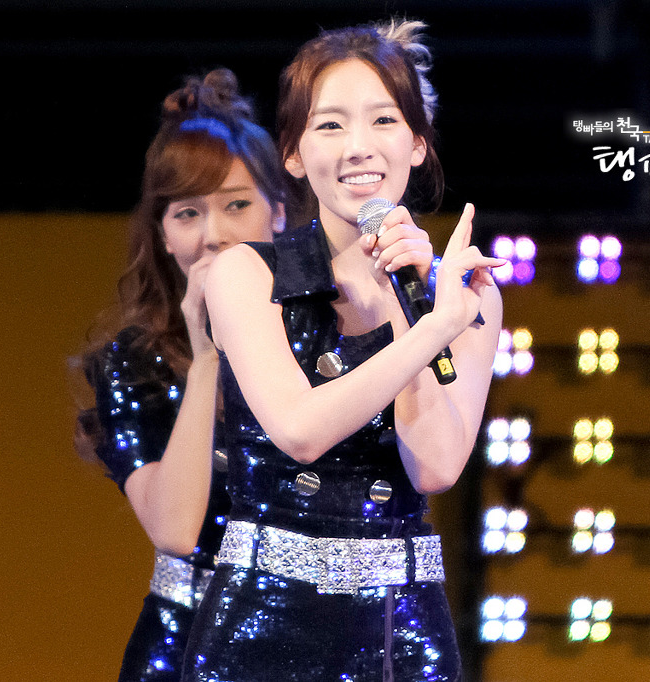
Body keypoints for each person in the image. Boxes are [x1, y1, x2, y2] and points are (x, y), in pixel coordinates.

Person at [183, 20, 504, 682]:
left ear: (417, 144)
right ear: (294, 155)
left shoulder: (461, 296)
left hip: (402, 635)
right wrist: (430, 333)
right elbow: (300, 431)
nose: (358, 146)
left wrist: (409, 306)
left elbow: (435, 467)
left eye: (383, 120)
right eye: (330, 125)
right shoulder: (246, 274)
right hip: (261, 628)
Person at [73, 68, 286, 681]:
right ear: (163, 235)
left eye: (237, 205)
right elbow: (175, 530)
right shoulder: (133, 361)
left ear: (277, 213)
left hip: (317, 642)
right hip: (185, 646)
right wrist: (207, 356)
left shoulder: (327, 338)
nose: (213, 236)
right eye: (188, 213)